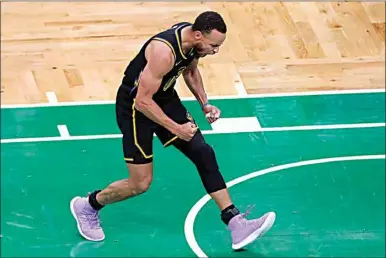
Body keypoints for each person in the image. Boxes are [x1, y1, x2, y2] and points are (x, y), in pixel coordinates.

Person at [70, 11, 276, 250]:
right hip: (136, 110)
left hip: (165, 98)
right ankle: (88, 206)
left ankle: (235, 223)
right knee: (140, 184)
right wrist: (176, 128)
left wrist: (205, 103)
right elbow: (142, 101)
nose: (215, 51)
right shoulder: (164, 52)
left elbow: (189, 71)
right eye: (213, 45)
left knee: (203, 152)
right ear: (199, 35)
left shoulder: (192, 44)